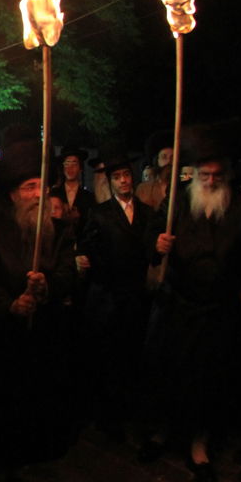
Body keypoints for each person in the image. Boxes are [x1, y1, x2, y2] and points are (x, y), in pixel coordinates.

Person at [142, 122, 241, 482]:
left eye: (216, 176)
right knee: (169, 375)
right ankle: (162, 432)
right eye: (203, 175)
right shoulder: (177, 200)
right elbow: (151, 232)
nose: (209, 181)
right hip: (178, 307)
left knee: (208, 383)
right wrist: (156, 243)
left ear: (225, 174)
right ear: (194, 173)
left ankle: (199, 444)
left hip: (217, 312)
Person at [0, 137, 80, 482]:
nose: (39, 194)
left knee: (32, 411)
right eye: (29, 187)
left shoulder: (57, 230)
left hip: (42, 336)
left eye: (42, 186)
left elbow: (68, 271)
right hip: (1, 337)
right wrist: (10, 303)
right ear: (12, 194)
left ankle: (16, 473)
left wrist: (47, 287)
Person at [77, 151, 153, 438]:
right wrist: (89, 261)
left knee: (130, 355)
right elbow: (87, 247)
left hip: (136, 296)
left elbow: (150, 251)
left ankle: (128, 410)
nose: (123, 181)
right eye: (117, 177)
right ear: (110, 182)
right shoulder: (100, 213)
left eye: (126, 175)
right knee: (107, 356)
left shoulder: (146, 213)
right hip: (108, 296)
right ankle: (106, 416)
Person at [50, 145, 92, 230]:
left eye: (74, 164)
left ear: (80, 168)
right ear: (63, 168)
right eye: (67, 164)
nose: (70, 168)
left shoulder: (89, 197)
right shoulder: (54, 193)